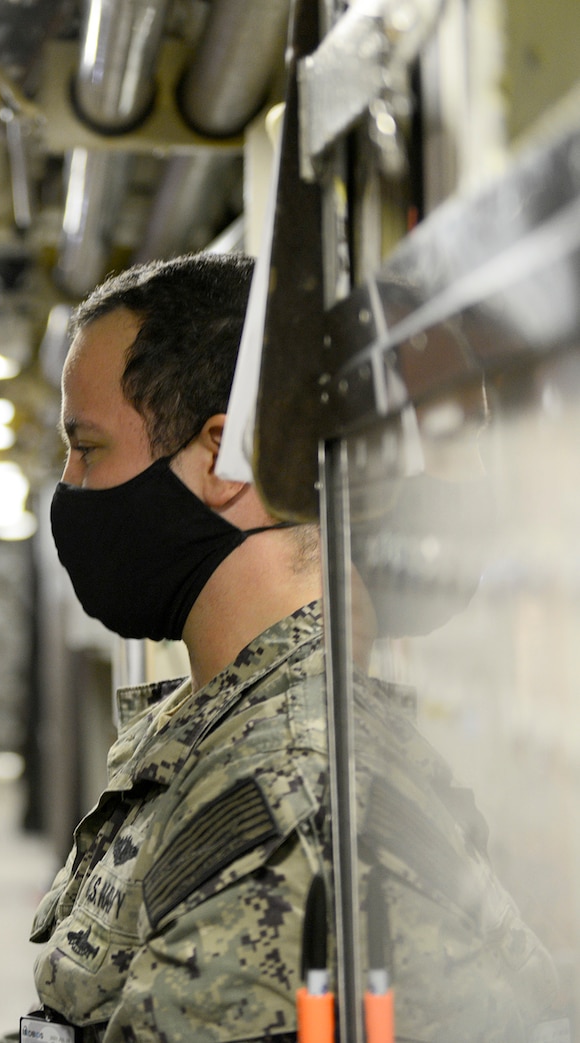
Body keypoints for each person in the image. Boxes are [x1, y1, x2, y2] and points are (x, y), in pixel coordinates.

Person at [28, 253, 556, 1039]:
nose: (68, 487)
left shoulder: (289, 804)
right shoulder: (230, 723)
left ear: (220, 458)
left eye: (89, 448)